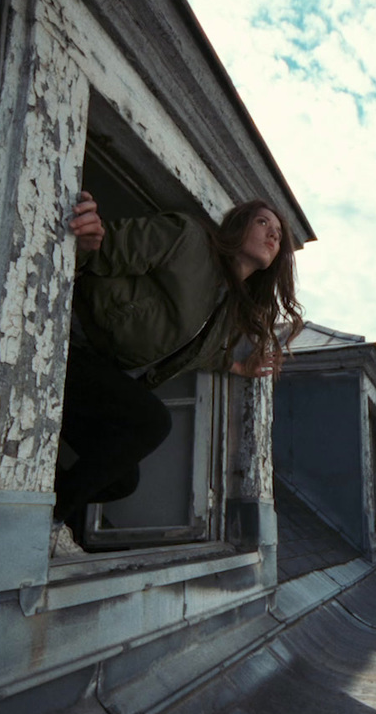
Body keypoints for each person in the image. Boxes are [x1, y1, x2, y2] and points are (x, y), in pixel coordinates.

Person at [51, 191, 302, 555]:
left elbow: (197, 353)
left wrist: (236, 367)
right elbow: (101, 250)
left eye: (278, 233)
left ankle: (40, 497)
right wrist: (89, 238)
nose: (274, 235)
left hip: (100, 375)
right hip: (69, 343)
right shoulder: (187, 239)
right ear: (237, 225)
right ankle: (51, 519)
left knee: (122, 481)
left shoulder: (228, 310)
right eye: (263, 222)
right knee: (152, 421)